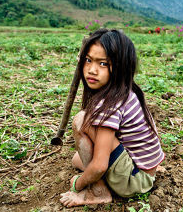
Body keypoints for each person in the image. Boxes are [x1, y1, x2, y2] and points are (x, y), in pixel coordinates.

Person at [60, 29, 165, 207]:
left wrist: (78, 184)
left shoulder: (110, 103)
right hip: (145, 171)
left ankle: (99, 193)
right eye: (88, 60)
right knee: (77, 159)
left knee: (80, 120)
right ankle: (105, 177)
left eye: (103, 64)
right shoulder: (126, 91)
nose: (92, 70)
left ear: (121, 67)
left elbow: (100, 166)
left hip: (133, 181)